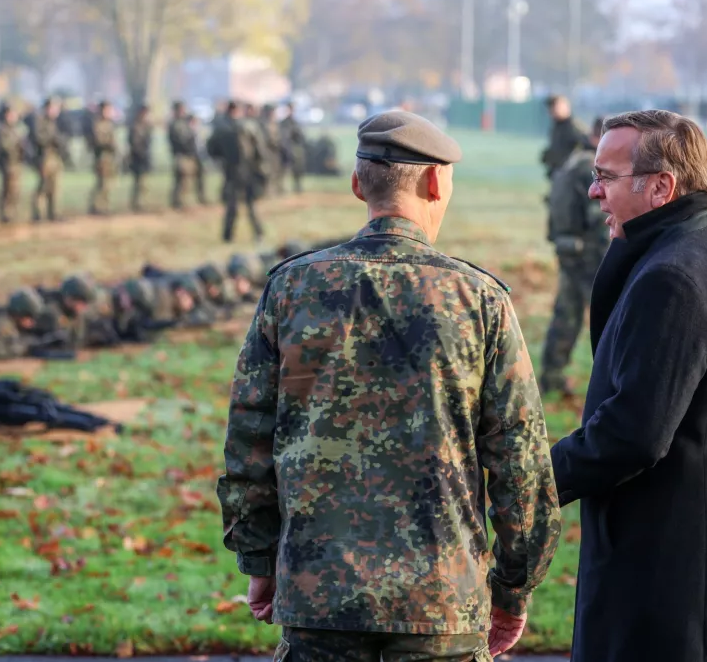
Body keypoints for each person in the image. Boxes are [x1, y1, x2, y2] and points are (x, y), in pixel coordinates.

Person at [216, 110, 561, 662]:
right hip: (441, 601)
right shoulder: (477, 301)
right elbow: (521, 462)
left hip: (318, 594)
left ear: (358, 184)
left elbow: (249, 441)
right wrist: (514, 587)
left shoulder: (293, 289)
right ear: (433, 182)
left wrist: (258, 560)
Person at [549, 110, 707, 662]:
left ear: (661, 187)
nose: (593, 191)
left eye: (607, 177)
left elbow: (632, 435)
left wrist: (527, 480)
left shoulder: (672, 279)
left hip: (670, 587)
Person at [539, 116, 610, 397]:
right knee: (609, 320)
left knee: (566, 315)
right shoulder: (591, 168)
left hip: (569, 249)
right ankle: (611, 385)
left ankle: (552, 376)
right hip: (590, 253)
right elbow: (600, 216)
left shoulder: (574, 160)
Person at [207, 101, 265, 243]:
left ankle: (227, 236)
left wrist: (221, 161)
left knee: (231, 206)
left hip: (231, 171)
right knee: (250, 205)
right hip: (247, 171)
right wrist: (260, 168)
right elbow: (259, 150)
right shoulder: (249, 127)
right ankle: (258, 234)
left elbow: (211, 149)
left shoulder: (221, 129)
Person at [30, 97, 68, 222]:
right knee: (43, 186)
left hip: (55, 157)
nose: (55, 111)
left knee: (55, 187)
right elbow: (39, 138)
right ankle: (38, 214)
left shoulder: (55, 122)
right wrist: (52, 139)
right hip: (44, 158)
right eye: (53, 108)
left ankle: (54, 212)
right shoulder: (40, 121)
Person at [0, 104, 27, 224]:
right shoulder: (3, 130)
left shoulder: (18, 130)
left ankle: (12, 213)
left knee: (15, 190)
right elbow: (5, 146)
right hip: (7, 164)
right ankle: (5, 214)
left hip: (17, 164)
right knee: (7, 190)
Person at [540, 95, 587, 181]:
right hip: (558, 172)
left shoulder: (573, 126)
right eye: (551, 107)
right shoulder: (557, 127)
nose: (552, 110)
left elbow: (586, 146)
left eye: (555, 106)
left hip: (571, 175)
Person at [168, 101, 205, 209]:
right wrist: (191, 130)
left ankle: (181, 202)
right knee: (182, 180)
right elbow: (183, 139)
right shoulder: (176, 124)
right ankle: (179, 202)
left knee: (186, 180)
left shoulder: (183, 123)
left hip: (189, 154)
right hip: (182, 155)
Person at [88, 100, 118, 216]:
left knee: (108, 184)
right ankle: (97, 206)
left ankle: (104, 206)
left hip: (110, 158)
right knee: (101, 183)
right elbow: (99, 141)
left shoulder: (109, 124)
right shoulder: (97, 124)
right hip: (102, 157)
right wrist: (109, 144)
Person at [127, 103, 154, 212]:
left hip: (144, 157)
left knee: (144, 183)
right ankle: (137, 204)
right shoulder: (136, 126)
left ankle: (142, 203)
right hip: (137, 158)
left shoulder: (146, 127)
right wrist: (141, 154)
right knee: (139, 182)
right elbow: (135, 143)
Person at [279, 102, 307, 194]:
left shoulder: (295, 123)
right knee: (285, 170)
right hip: (286, 149)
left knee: (297, 169)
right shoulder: (283, 123)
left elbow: (300, 137)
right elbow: (283, 136)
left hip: (295, 149)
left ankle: (297, 186)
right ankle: (283, 188)